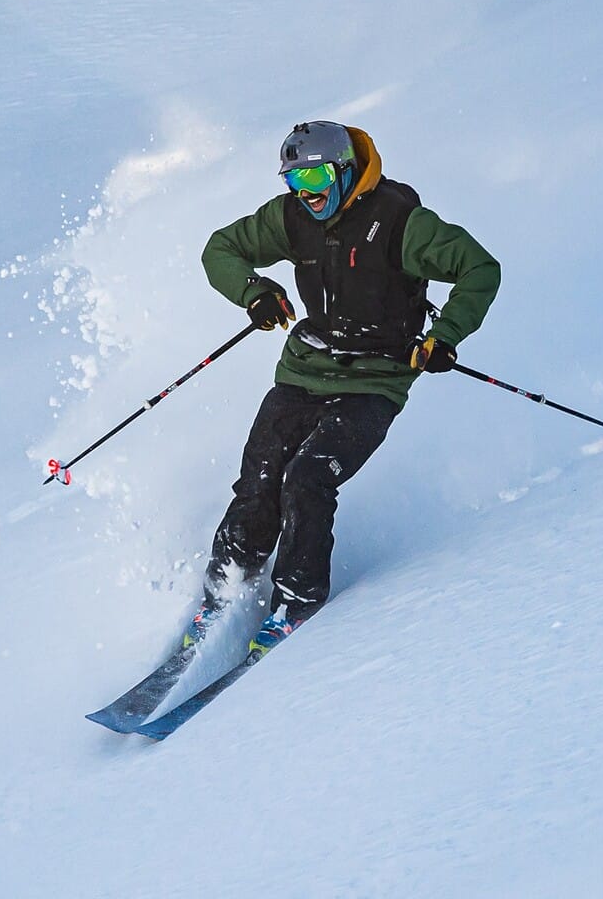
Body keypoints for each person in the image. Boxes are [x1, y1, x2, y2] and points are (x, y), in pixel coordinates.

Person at [185, 121, 500, 656]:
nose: (305, 193)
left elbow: (479, 269)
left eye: (315, 178)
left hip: (375, 380)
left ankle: (297, 599)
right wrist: (254, 292)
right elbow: (221, 249)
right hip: (306, 369)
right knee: (262, 473)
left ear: (346, 171)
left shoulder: (401, 223)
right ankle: (224, 588)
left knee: (306, 478)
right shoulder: (291, 217)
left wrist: (444, 337)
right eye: (294, 180)